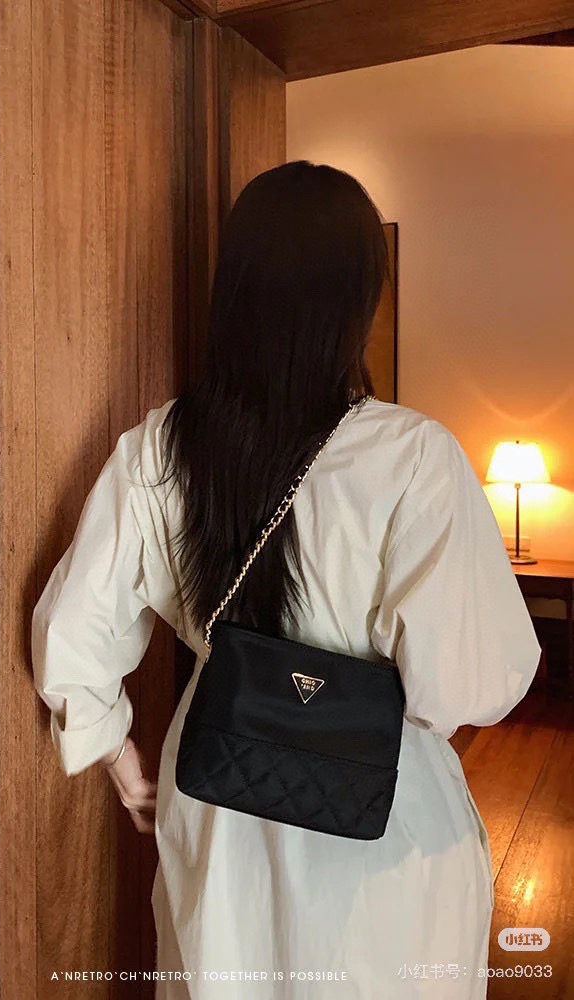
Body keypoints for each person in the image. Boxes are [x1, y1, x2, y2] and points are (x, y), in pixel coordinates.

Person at [31, 161, 541, 998]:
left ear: (236, 291)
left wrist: (122, 762)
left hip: (220, 805)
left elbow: (73, 636)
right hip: (386, 819)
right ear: (356, 303)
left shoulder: (160, 447)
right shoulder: (414, 456)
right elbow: (469, 684)